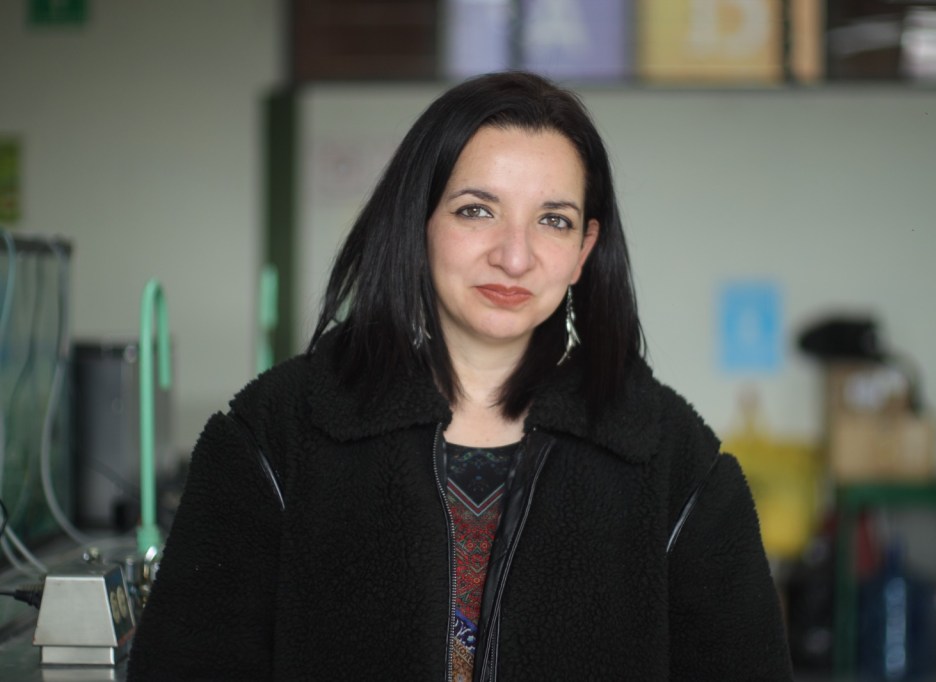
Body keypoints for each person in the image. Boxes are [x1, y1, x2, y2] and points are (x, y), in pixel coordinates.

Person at [127, 71, 793, 681]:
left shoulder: (672, 461)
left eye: (553, 221)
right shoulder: (275, 436)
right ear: (418, 220)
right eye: (477, 209)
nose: (514, 255)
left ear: (583, 251)